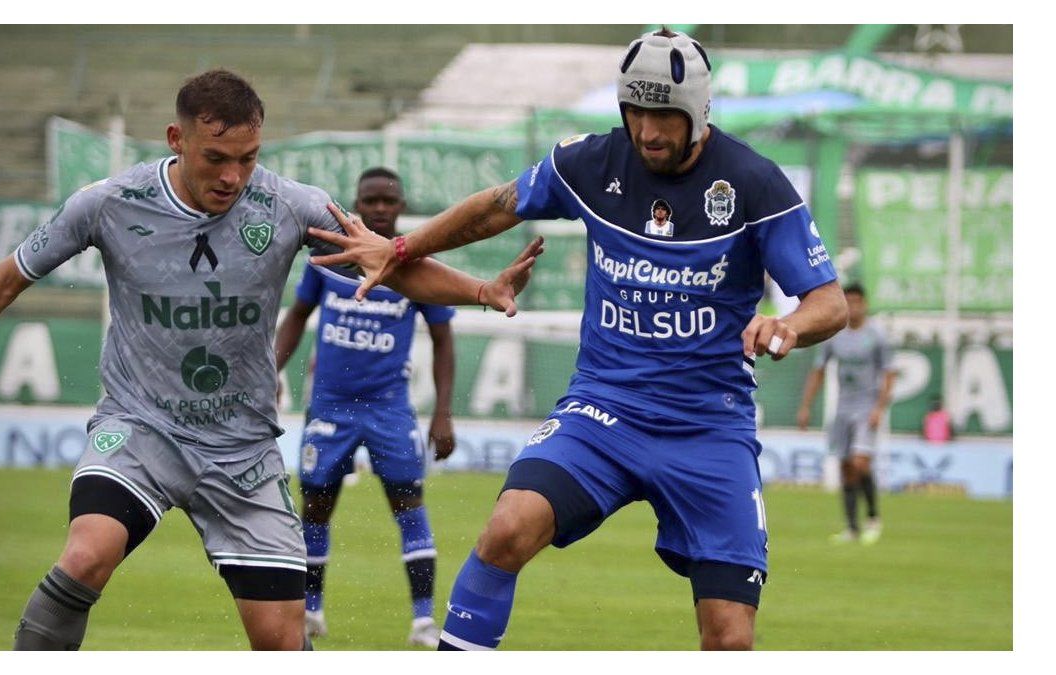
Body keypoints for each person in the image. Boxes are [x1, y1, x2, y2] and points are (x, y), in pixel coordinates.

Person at [0, 69, 543, 651]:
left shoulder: (290, 205)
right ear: (176, 137)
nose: (233, 176)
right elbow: (7, 275)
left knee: (280, 637)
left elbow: (391, 263)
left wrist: (481, 290)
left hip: (242, 451)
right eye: (216, 157)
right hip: (141, 429)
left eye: (248, 157)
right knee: (88, 551)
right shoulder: (110, 203)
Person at [308, 29, 849, 650]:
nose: (648, 130)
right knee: (507, 529)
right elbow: (497, 205)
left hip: (709, 427)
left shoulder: (754, 183)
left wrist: (788, 324)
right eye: (635, 111)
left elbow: (828, 301)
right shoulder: (592, 162)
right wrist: (401, 246)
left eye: (664, 115)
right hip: (604, 410)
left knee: (730, 639)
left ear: (699, 113)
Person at [273, 167, 456, 648]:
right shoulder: (329, 256)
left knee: (408, 503)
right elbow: (296, 317)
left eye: (388, 200)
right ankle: (311, 611)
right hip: (330, 405)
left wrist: (443, 412)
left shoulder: (416, 262)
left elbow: (443, 339)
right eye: (370, 200)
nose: (379, 208)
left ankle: (422, 621)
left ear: (400, 206)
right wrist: (269, 370)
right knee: (315, 505)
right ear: (356, 201)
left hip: (389, 408)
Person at [797, 283, 896, 545]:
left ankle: (873, 518)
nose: (853, 307)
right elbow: (818, 370)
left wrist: (879, 408)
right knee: (845, 467)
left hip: (867, 407)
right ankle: (852, 528)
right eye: (848, 302)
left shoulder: (877, 335)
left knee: (861, 462)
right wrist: (806, 406)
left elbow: (888, 374)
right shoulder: (835, 335)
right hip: (842, 408)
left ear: (865, 304)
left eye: (857, 302)